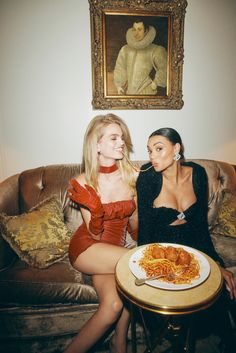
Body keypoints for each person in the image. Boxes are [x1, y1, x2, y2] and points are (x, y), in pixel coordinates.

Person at [136, 127, 236, 352]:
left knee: (223, 289)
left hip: (194, 243)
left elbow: (200, 226)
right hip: (163, 248)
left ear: (176, 149)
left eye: (159, 148)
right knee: (173, 300)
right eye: (149, 150)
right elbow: (146, 230)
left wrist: (216, 263)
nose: (152, 156)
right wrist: (147, 269)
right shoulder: (147, 177)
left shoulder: (198, 173)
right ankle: (175, 339)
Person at [63, 114, 138, 353]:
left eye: (122, 137)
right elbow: (94, 236)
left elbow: (135, 225)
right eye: (114, 137)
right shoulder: (83, 181)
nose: (121, 142)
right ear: (96, 145)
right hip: (88, 248)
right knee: (136, 263)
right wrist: (95, 208)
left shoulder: (133, 176)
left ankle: (119, 343)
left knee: (114, 304)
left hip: (116, 252)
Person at [113, 20, 167, 95]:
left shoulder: (155, 49)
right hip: (129, 93)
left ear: (146, 31)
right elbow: (120, 67)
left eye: (139, 29)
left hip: (147, 91)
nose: (136, 33)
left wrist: (155, 83)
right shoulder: (125, 49)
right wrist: (119, 85)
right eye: (134, 29)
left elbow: (164, 68)